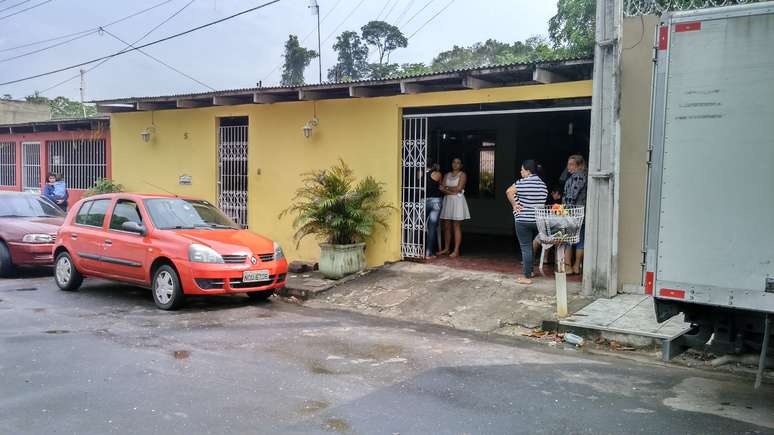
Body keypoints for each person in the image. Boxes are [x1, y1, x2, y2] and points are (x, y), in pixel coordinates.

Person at [506, 160, 547, 284]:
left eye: (522, 170)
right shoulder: (543, 185)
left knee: (526, 248)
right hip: (539, 220)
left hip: (523, 219)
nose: (520, 172)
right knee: (532, 245)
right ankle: (531, 271)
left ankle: (526, 277)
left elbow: (508, 191)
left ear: (528, 171)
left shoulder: (521, 183)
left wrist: (514, 205)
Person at [438, 158, 470, 257]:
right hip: (448, 200)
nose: (455, 164)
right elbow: (441, 187)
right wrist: (452, 191)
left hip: (458, 201)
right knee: (447, 226)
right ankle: (447, 249)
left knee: (456, 226)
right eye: (453, 162)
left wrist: (446, 188)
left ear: (461, 165)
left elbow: (459, 188)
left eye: (458, 163)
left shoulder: (463, 175)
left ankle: (456, 250)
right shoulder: (447, 175)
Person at [562, 154, 588, 275]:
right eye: (568, 164)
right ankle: (577, 266)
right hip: (581, 213)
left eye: (572, 164)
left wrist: (564, 211)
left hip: (573, 213)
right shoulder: (585, 176)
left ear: (580, 165)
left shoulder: (577, 177)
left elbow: (571, 196)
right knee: (580, 240)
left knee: (568, 240)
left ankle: (568, 267)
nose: (569, 167)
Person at [424, 162, 444, 258]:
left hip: (422, 201)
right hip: (436, 201)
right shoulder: (438, 174)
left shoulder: (419, 172)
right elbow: (440, 187)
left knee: (417, 225)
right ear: (433, 165)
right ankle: (429, 253)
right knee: (432, 227)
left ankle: (413, 250)